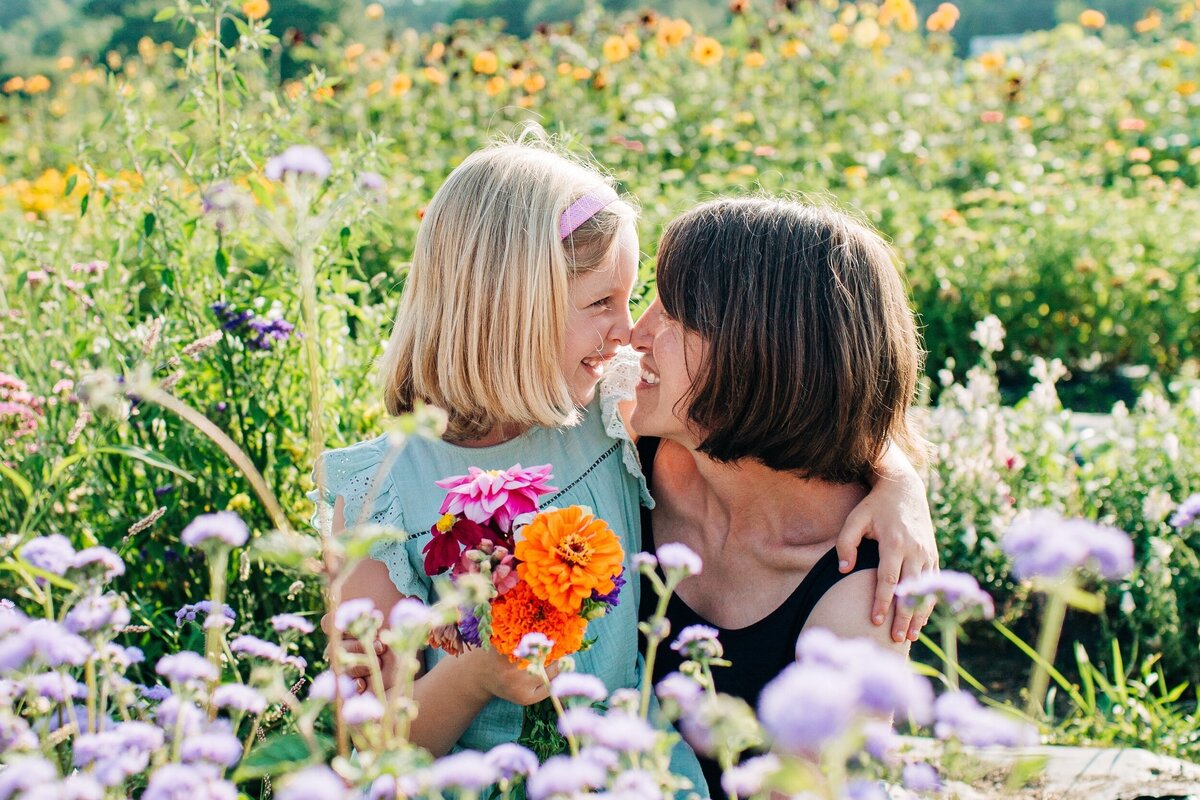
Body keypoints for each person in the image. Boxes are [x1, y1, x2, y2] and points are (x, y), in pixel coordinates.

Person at [312, 138, 934, 786]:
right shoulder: (386, 493)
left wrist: (897, 479)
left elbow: (808, 389)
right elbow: (369, 746)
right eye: (603, 304)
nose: (630, 330)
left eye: (647, 302)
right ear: (516, 312)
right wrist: (477, 674)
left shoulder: (609, 418)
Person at [632, 197, 928, 798]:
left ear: (761, 351)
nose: (635, 333)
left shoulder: (860, 593)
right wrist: (900, 475)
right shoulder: (632, 445)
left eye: (674, 316)